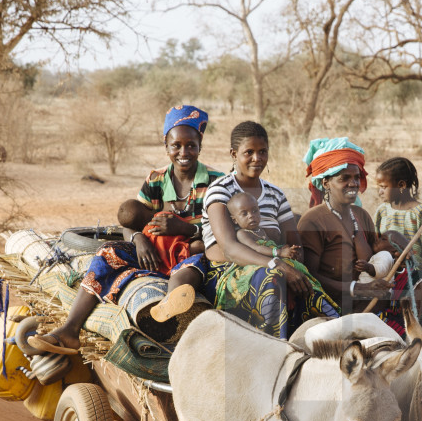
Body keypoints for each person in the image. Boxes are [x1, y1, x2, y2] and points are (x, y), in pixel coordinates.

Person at [29, 105, 220, 354]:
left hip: (191, 251)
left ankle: (167, 313)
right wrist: (139, 238)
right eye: (176, 145)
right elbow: (130, 221)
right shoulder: (156, 180)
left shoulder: (217, 182)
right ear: (166, 145)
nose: (184, 152)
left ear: (200, 144)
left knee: (196, 256)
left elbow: (219, 232)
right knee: (108, 251)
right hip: (151, 253)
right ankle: (70, 329)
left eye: (191, 145)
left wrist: (185, 228)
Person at [158, 121, 338, 339]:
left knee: (310, 289)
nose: (257, 158)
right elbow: (230, 249)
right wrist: (278, 264)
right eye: (249, 152)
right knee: (271, 279)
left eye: (263, 152)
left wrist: (292, 260)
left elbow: (294, 243)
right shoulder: (221, 190)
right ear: (234, 154)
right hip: (228, 271)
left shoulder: (276, 194)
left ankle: (338, 337)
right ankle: (272, 349)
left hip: (276, 264)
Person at [296, 137, 414, 335]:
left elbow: (375, 257)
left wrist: (398, 259)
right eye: (344, 178)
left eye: (356, 177)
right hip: (332, 309)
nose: (353, 184)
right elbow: (310, 277)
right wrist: (357, 289)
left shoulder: (361, 216)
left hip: (371, 305)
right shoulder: (313, 221)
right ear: (326, 182)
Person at [372, 156, 422, 303]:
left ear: (401, 185)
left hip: (412, 272)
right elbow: (375, 240)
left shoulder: (420, 212)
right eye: (378, 187)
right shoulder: (382, 211)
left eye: (383, 187)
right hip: (386, 270)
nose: (379, 192)